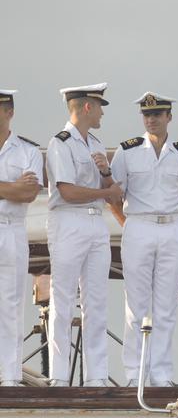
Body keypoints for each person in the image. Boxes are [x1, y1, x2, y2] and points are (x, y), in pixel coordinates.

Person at [110, 93, 178, 386]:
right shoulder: (127, 151)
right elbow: (113, 194)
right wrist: (131, 224)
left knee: (166, 305)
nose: (151, 119)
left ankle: (161, 374)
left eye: (157, 114)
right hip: (138, 226)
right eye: (147, 115)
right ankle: (135, 373)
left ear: (169, 118)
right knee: (135, 305)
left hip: (172, 227)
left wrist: (169, 223)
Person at [46, 83, 121, 387]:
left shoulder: (97, 144)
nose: (103, 111)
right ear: (87, 107)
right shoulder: (60, 143)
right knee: (63, 299)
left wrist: (105, 173)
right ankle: (59, 376)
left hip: (95, 223)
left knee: (97, 301)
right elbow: (66, 191)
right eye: (100, 105)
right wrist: (105, 190)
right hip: (68, 221)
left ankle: (97, 375)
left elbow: (113, 190)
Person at [0, 89, 44, 387]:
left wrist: (18, 188)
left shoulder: (27, 150)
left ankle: (11, 377)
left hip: (11, 228)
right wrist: (10, 186)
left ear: (10, 112)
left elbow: (28, 193)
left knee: (11, 305)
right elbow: (16, 190)